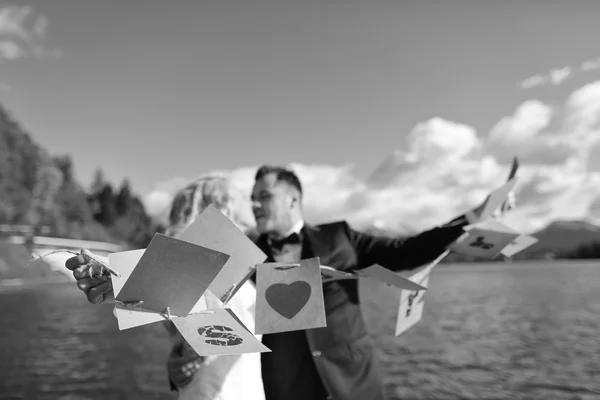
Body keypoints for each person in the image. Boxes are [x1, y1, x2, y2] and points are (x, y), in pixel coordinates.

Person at [68, 165, 512, 400]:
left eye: (265, 196)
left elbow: (406, 253)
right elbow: (183, 301)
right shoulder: (235, 247)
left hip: (350, 383)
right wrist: (117, 280)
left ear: (294, 197)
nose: (256, 205)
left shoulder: (341, 237)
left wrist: (471, 220)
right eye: (252, 198)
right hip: (280, 388)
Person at [65, 176, 265, 400]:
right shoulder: (207, 266)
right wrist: (120, 278)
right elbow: (187, 296)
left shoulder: (237, 271)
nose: (253, 207)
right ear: (223, 207)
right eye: (243, 200)